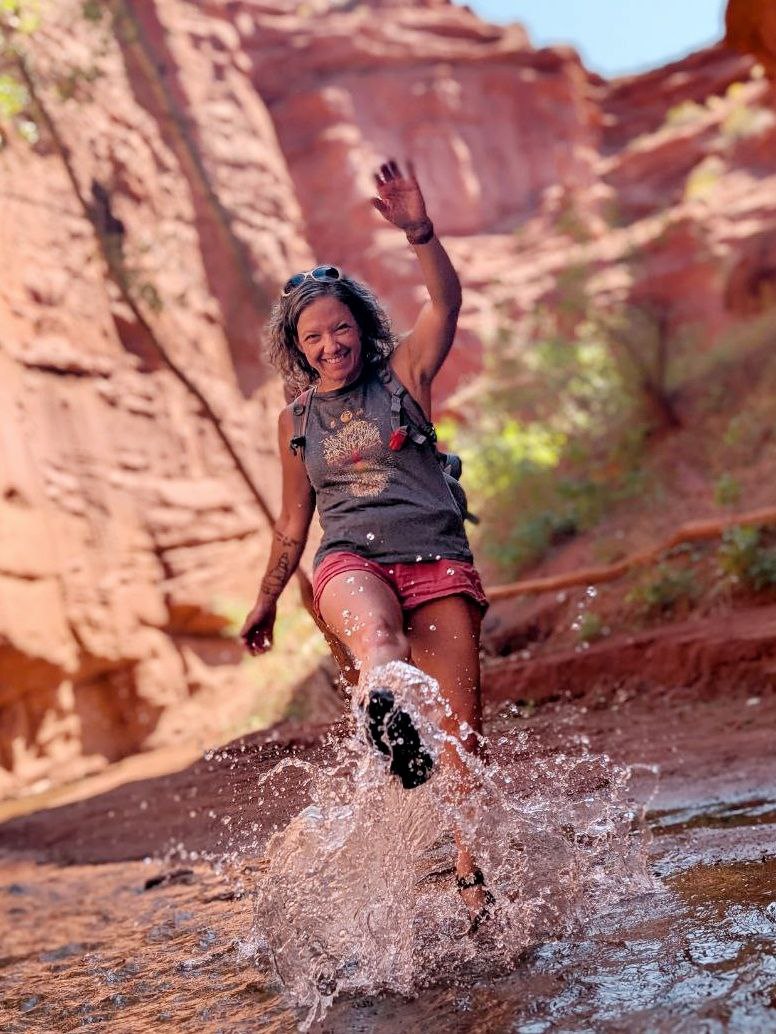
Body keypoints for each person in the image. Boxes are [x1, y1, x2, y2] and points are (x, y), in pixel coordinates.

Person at [240, 159, 491, 930]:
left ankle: (472, 879)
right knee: (373, 632)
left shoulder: (405, 374)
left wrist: (420, 232)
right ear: (298, 347)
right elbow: (294, 524)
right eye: (313, 337)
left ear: (361, 328)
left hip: (439, 562)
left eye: (340, 329)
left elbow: (446, 302)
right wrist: (266, 598)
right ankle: (390, 713)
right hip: (353, 558)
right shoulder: (296, 422)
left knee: (464, 748)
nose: (329, 345)